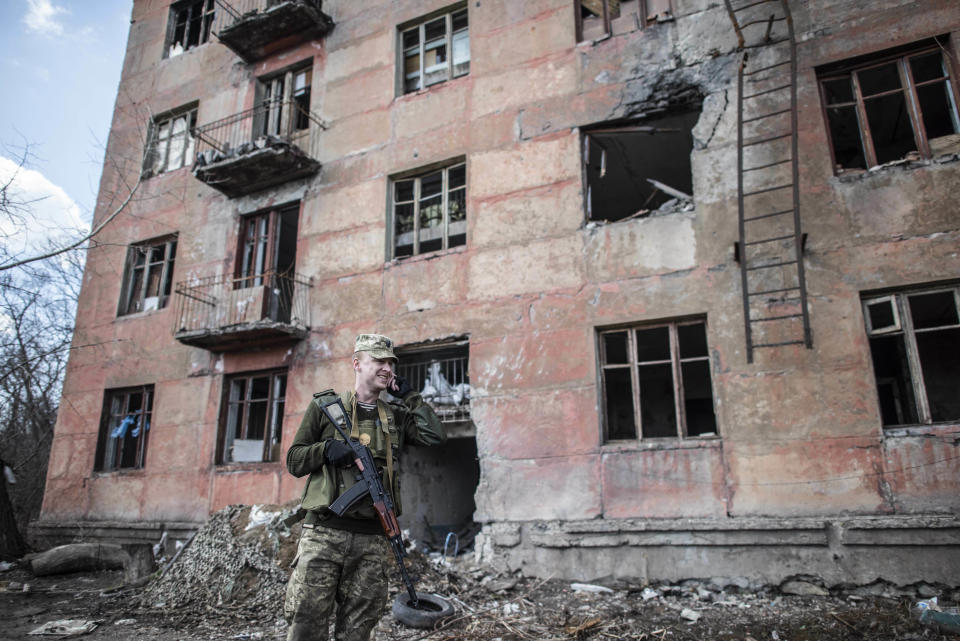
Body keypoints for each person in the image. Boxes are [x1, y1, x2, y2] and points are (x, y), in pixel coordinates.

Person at [284, 333, 446, 641]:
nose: (387, 368)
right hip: (324, 533)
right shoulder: (325, 407)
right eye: (379, 361)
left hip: (372, 538)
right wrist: (324, 450)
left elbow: (436, 437)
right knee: (307, 621)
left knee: (359, 628)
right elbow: (294, 460)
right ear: (357, 364)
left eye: (391, 363)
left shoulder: (397, 416)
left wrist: (411, 398)